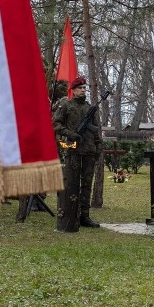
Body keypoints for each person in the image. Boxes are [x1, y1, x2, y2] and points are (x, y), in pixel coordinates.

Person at [53, 76, 102, 229]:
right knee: (72, 183)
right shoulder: (66, 106)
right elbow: (56, 124)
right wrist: (70, 133)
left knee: (87, 184)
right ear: (73, 90)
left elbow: (96, 129)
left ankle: (84, 216)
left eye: (84, 88)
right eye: (80, 88)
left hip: (88, 150)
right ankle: (70, 213)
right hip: (73, 149)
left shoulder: (89, 107)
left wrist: (98, 146)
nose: (82, 90)